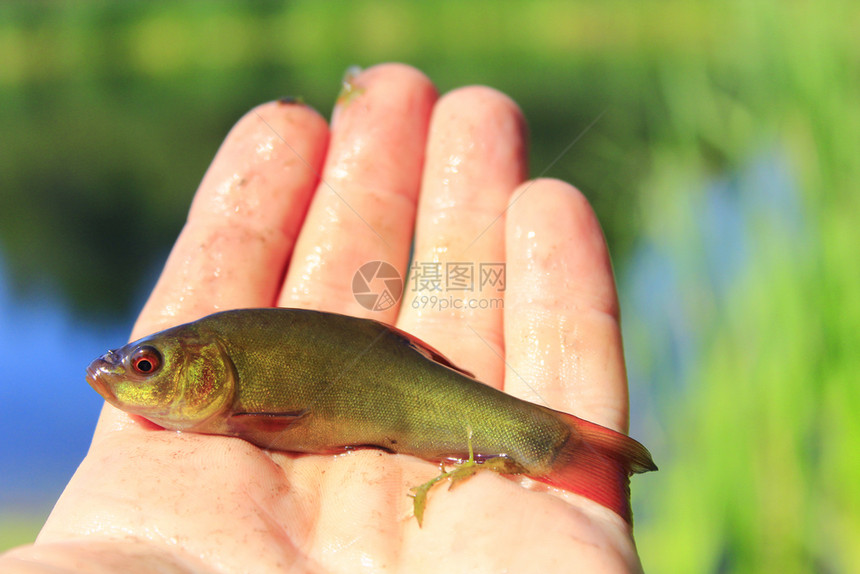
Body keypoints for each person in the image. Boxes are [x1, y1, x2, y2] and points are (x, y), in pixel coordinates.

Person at [1, 64, 646, 573]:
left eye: (146, 367)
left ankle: (553, 446)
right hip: (384, 375)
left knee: (524, 434)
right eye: (143, 365)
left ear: (207, 373)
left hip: (395, 381)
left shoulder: (232, 384)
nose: (123, 377)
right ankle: (559, 450)